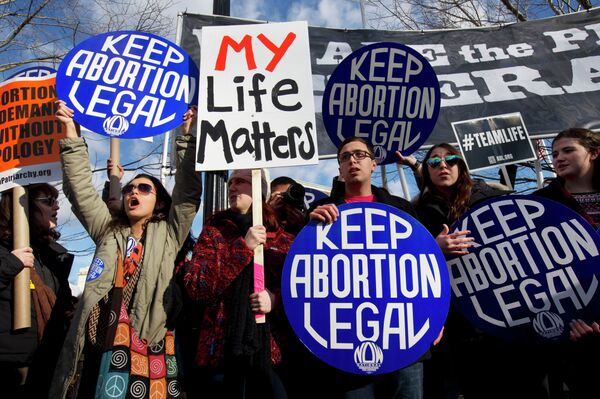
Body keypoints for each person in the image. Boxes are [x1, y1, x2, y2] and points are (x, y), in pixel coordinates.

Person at [50, 102, 202, 399]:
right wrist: (70, 134)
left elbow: (187, 194)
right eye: (130, 188)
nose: (134, 192)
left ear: (158, 202)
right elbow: (79, 189)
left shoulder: (169, 234)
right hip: (98, 349)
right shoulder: (108, 230)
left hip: (148, 351)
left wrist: (187, 138)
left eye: (144, 189)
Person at [414, 143, 549, 399]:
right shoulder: (417, 213)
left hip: (509, 312)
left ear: (461, 166)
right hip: (459, 321)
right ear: (426, 171)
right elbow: (409, 266)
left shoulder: (491, 199)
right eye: (434, 162)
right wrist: (434, 247)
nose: (443, 165)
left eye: (451, 159)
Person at [307, 136, 424, 399]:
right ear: (339, 169)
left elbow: (424, 267)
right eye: (345, 157)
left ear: (373, 164)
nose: (352, 160)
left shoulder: (401, 209)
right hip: (347, 338)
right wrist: (309, 228)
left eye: (360, 155)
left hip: (403, 334)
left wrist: (435, 319)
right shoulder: (321, 212)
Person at [180, 168, 294, 399]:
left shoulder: (283, 239)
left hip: (272, 355)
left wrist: (276, 300)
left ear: (259, 188)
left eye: (240, 181)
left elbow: (301, 292)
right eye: (230, 182)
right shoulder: (213, 233)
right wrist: (243, 248)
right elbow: (197, 289)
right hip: (222, 353)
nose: (231, 187)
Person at [533, 127, 599, 399]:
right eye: (555, 152)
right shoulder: (538, 205)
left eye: (568, 150)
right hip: (571, 332)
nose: (558, 158)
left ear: (594, 153)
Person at [0, 183, 75, 398]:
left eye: (56, 200)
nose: (57, 206)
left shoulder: (54, 256)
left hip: (49, 360)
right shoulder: (4, 249)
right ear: (22, 205)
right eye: (48, 201)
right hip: (10, 367)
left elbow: (64, 304)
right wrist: (12, 264)